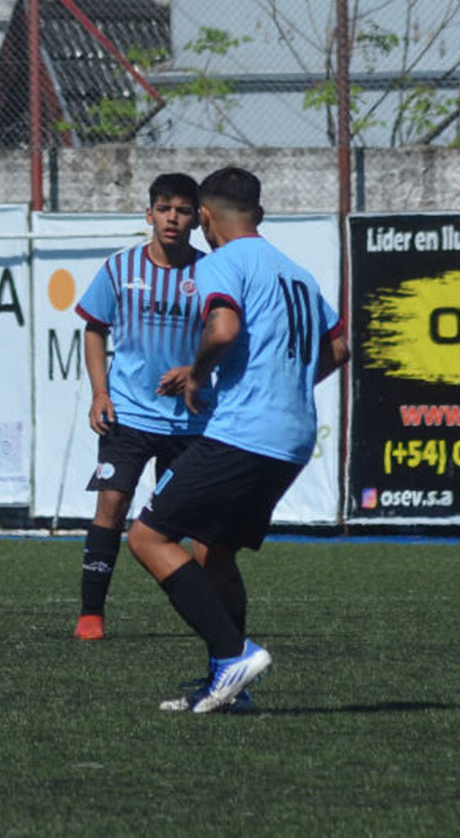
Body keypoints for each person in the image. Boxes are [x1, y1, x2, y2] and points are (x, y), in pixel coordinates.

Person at [129, 166, 347, 713]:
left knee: (148, 538)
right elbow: (340, 348)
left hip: (244, 432)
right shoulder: (297, 273)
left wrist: (199, 373)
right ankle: (231, 688)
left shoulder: (222, 263)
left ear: (203, 217)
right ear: (260, 215)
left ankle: (232, 654)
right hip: (293, 436)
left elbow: (222, 330)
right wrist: (288, 382)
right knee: (215, 553)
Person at [70, 174, 208, 641]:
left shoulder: (211, 274)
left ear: (196, 217)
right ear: (148, 214)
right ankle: (92, 613)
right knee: (111, 504)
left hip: (190, 418)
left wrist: (196, 370)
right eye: (164, 208)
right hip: (127, 414)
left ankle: (207, 615)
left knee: (190, 522)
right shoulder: (119, 269)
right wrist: (100, 392)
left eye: (183, 210)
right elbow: (94, 328)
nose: (173, 218)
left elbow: (228, 339)